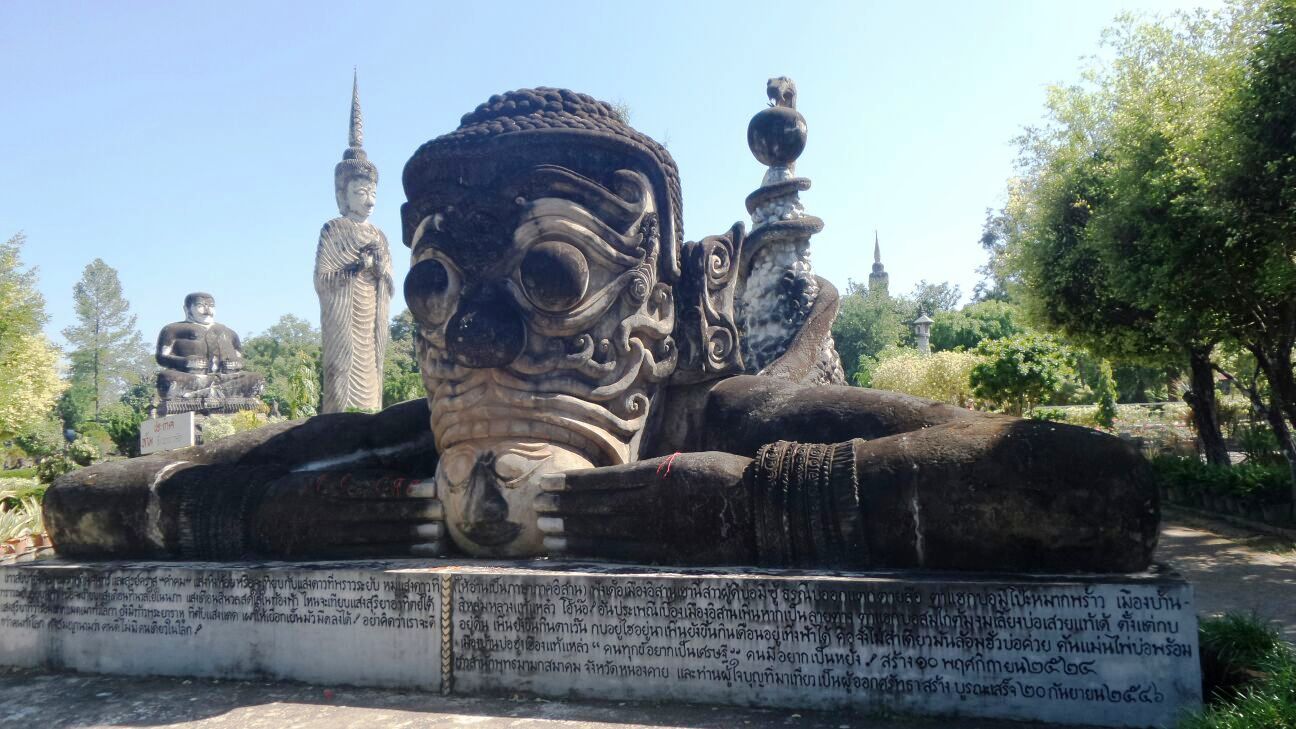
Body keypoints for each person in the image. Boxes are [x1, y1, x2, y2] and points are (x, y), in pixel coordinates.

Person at [45, 88, 1157, 573]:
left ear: (676, 305)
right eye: (435, 285)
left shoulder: (727, 414)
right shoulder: (422, 433)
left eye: (552, 276)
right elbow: (83, 504)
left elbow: (1088, 487)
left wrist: (729, 505)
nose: (477, 334)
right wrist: (284, 514)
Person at [155, 292, 264, 404]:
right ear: (187, 309)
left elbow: (240, 358)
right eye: (200, 306)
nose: (207, 310)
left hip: (227, 379)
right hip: (193, 378)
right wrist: (185, 362)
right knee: (168, 378)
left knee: (255, 378)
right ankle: (207, 394)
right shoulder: (173, 329)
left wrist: (236, 363)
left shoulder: (229, 332)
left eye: (211, 306)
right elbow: (161, 357)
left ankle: (210, 393)